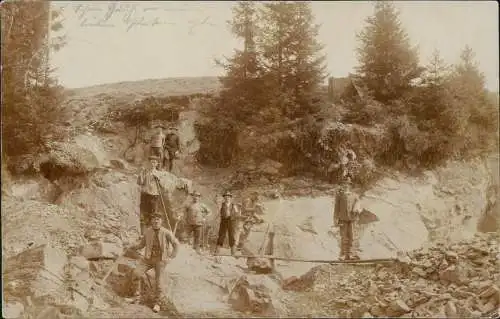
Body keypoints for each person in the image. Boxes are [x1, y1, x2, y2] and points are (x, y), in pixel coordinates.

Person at [127, 212, 179, 313]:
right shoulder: (148, 232)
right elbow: (141, 245)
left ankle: (157, 303)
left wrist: (171, 257)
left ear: (161, 221)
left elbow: (176, 244)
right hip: (148, 259)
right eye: (154, 219)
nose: (156, 221)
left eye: (158, 219)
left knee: (158, 281)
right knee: (136, 273)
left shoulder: (166, 232)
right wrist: (132, 246)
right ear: (151, 221)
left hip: (161, 260)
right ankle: (136, 297)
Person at [333, 178, 362, 260]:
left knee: (352, 237)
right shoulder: (340, 195)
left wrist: (358, 209)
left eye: (347, 184)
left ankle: (351, 255)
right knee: (343, 237)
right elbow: (336, 208)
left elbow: (359, 205)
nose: (346, 185)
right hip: (342, 219)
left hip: (352, 220)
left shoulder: (355, 195)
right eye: (344, 184)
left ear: (350, 185)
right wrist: (335, 220)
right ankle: (343, 255)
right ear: (342, 185)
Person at [137, 155, 162, 236]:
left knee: (154, 214)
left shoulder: (159, 173)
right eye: (151, 162)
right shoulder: (145, 172)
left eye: (154, 162)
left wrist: (157, 178)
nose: (152, 163)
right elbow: (140, 182)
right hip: (145, 195)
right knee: (144, 214)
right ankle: (143, 234)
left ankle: (153, 233)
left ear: (157, 164)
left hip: (154, 196)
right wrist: (140, 174)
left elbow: (162, 184)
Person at [214, 191, 240, 256]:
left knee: (232, 235)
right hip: (223, 221)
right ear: (224, 198)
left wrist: (233, 217)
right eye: (225, 197)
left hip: (231, 222)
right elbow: (217, 205)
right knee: (221, 235)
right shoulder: (221, 204)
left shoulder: (234, 205)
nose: (227, 198)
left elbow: (237, 214)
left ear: (230, 198)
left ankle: (233, 253)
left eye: (228, 197)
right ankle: (217, 252)